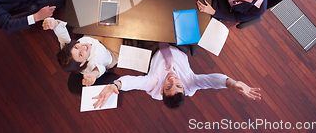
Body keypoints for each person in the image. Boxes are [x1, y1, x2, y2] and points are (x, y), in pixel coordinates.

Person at [92, 42, 261, 110]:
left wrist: (115, 85)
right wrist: (231, 84)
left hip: (153, 48)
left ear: (161, 91)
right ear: (184, 88)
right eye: (178, 85)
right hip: (178, 44)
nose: (173, 80)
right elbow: (213, 80)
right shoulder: (191, 84)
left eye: (168, 86)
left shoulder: (152, 84)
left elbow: (133, 82)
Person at [43, 18, 123, 87]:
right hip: (110, 52)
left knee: (100, 16)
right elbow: (99, 69)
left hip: (93, 39)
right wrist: (94, 74)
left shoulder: (69, 50)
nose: (83, 47)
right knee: (116, 25)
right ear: (82, 63)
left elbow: (62, 35)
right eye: (80, 54)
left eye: (76, 47)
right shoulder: (92, 64)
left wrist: (54, 24)